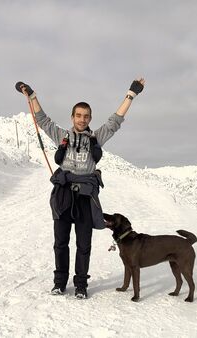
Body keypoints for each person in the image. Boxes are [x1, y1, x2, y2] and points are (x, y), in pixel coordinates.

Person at [16, 78, 145, 299]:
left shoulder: (96, 138)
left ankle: (81, 286)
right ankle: (59, 283)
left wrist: (131, 94)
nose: (82, 119)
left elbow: (115, 121)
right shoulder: (62, 137)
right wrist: (32, 96)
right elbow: (43, 120)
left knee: (83, 244)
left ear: (90, 119)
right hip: (64, 196)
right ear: (72, 117)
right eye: (78, 115)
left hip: (86, 197)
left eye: (86, 116)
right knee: (61, 243)